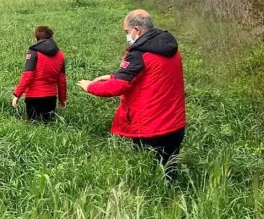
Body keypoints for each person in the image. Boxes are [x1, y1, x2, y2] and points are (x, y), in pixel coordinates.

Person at [77, 10, 186, 181]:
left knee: (146, 179)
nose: (127, 36)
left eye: (127, 32)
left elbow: (117, 88)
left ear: (137, 30)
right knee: (169, 173)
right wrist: (112, 76)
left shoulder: (139, 53)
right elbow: (149, 77)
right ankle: (174, 203)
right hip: (175, 124)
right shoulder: (170, 49)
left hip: (151, 128)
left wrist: (90, 86)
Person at [13, 26, 67, 122]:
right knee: (49, 128)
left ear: (36, 38)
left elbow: (28, 76)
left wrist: (17, 95)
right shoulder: (60, 55)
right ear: (51, 37)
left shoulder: (33, 52)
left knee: (34, 128)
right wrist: (62, 99)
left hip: (34, 97)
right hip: (51, 98)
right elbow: (61, 79)